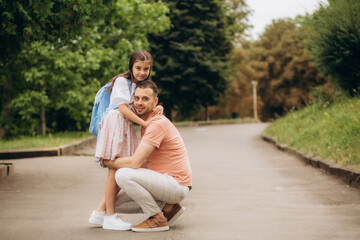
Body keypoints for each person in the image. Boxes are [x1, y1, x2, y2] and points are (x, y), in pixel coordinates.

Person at [102, 80, 192, 232]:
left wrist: (110, 163)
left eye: (145, 99)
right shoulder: (147, 123)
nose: (139, 103)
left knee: (123, 174)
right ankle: (169, 208)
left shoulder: (156, 124)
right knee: (113, 203)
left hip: (175, 184)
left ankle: (157, 217)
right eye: (136, 98)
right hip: (165, 183)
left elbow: (136, 162)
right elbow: (144, 162)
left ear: (155, 101)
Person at [88, 50, 162, 230]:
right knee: (115, 170)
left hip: (125, 126)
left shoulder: (142, 85)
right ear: (131, 66)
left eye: (146, 69)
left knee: (120, 169)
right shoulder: (122, 82)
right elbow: (122, 108)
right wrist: (145, 123)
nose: (142, 72)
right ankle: (110, 217)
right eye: (138, 68)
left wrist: (158, 106)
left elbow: (145, 103)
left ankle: (100, 213)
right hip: (116, 122)